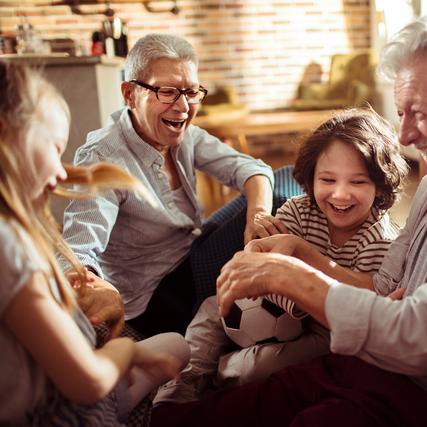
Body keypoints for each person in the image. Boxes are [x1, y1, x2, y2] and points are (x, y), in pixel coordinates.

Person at [151, 9, 427, 427]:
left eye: (419, 112)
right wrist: (302, 252)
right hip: (385, 365)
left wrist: (290, 275)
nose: (403, 134)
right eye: (401, 113)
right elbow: (385, 292)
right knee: (222, 410)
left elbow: (420, 335)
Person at [153, 108, 409, 404]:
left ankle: (224, 372)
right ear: (311, 177)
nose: (340, 194)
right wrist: (256, 264)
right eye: (328, 180)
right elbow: (258, 254)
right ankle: (188, 375)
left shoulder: (382, 239)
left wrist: (299, 279)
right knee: (213, 305)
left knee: (261, 367)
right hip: (273, 305)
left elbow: (363, 303)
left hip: (326, 329)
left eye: (358, 182)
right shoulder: (297, 211)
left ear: (379, 186)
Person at [60, 33, 299, 338]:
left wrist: (258, 215)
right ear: (129, 94)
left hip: (191, 252)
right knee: (284, 192)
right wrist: (93, 291)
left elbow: (252, 169)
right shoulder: (103, 157)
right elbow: (78, 247)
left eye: (191, 91)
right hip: (156, 298)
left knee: (283, 178)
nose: (183, 106)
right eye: (169, 91)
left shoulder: (184, 136)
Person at [0, 62, 191, 426]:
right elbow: (88, 381)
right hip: (59, 410)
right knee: (167, 351)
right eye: (54, 149)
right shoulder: (9, 245)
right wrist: (124, 353)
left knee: (176, 345)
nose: (60, 171)